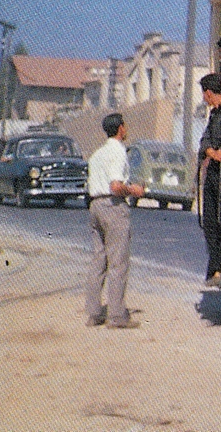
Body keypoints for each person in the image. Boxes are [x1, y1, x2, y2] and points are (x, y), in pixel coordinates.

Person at [84, 113, 146, 328]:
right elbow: (116, 186)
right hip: (113, 206)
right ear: (121, 128)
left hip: (95, 205)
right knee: (118, 263)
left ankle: (94, 313)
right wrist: (134, 190)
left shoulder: (97, 154)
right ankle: (117, 316)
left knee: (98, 261)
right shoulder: (118, 153)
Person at [197, 72, 221, 287]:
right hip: (213, 171)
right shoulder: (214, 115)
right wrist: (211, 152)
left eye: (204, 94)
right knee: (209, 222)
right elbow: (204, 140)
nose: (204, 99)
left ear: (209, 93)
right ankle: (214, 268)